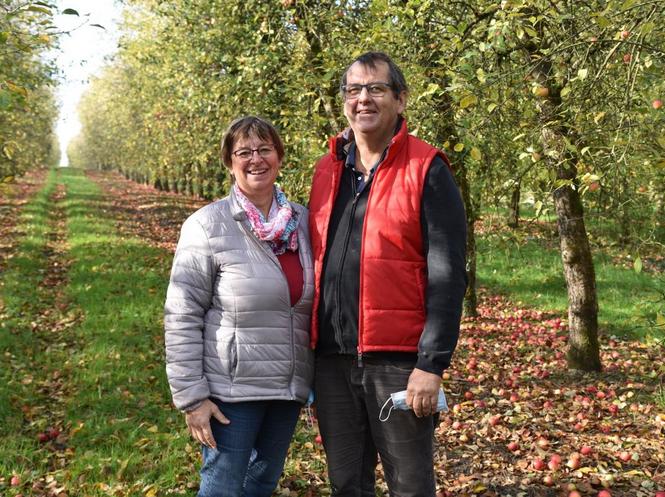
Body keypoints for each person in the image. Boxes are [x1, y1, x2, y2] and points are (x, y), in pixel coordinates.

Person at [308, 52, 467, 497]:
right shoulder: (327, 170)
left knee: (410, 485)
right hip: (333, 360)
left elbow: (448, 272)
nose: (364, 99)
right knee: (346, 484)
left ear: (400, 99)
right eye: (353, 90)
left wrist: (431, 364)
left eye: (376, 88)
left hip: (398, 362)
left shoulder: (426, 168)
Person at [164, 116, 314, 497]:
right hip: (231, 391)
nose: (256, 159)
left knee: (261, 484)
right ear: (230, 162)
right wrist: (192, 398)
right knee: (223, 488)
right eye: (243, 152)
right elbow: (182, 315)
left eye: (264, 149)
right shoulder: (207, 225)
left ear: (279, 157)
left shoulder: (304, 223)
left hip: (286, 387)